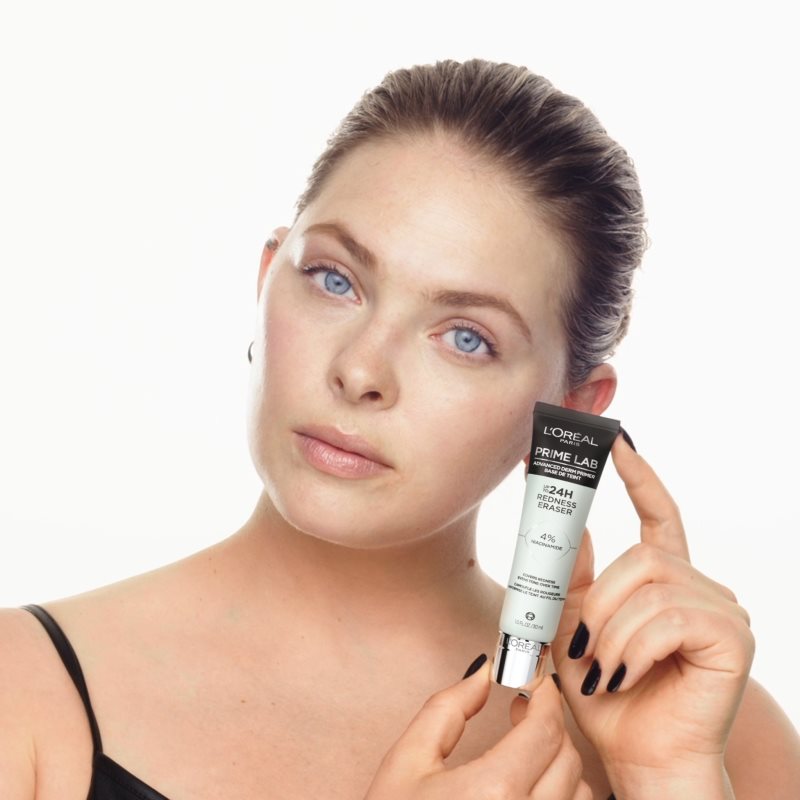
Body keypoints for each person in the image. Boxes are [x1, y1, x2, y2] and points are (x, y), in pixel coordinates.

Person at [1, 58, 798, 800]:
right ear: (267, 278)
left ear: (572, 412)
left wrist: (670, 779)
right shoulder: (21, 692)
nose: (360, 371)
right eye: (334, 280)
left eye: (466, 338)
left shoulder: (716, 735)